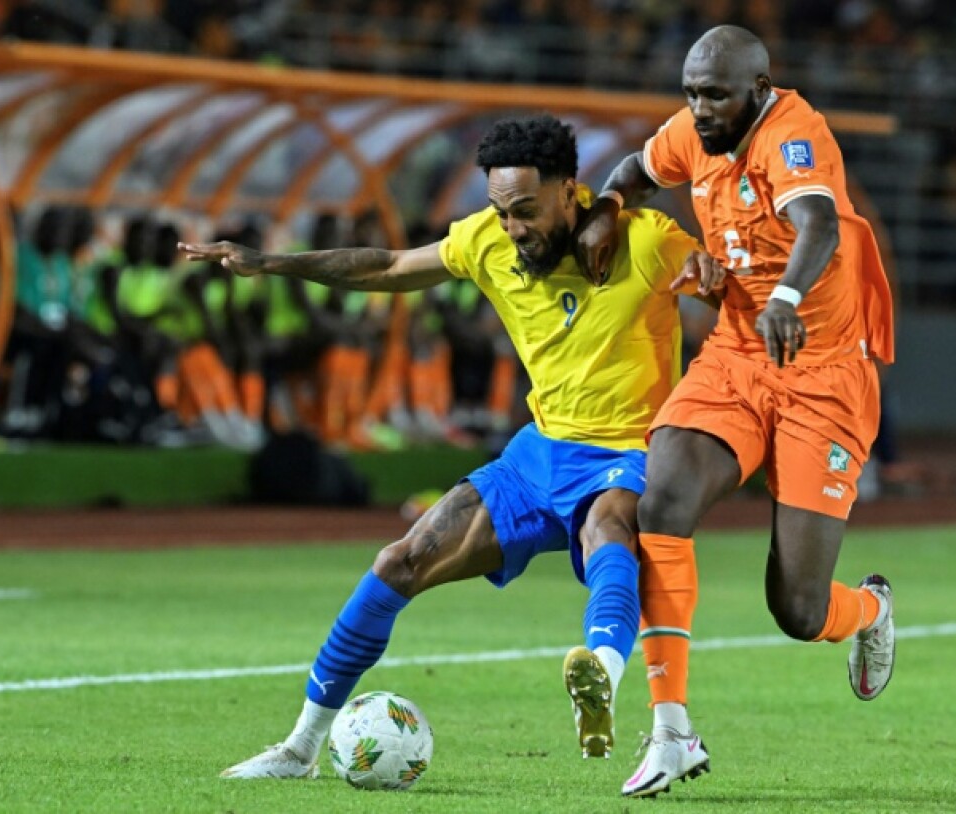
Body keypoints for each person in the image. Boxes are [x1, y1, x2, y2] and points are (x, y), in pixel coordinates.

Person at [179, 115, 714, 778]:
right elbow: (389, 266)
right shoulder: (486, 240)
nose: (512, 228)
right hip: (536, 456)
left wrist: (716, 280)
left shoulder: (648, 240)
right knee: (400, 560)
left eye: (525, 211)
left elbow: (734, 297)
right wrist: (275, 264)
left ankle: (598, 676)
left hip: (626, 451)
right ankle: (299, 748)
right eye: (501, 210)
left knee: (609, 530)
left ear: (569, 190)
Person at [574, 25, 898, 798]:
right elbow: (635, 168)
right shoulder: (692, 132)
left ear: (758, 90)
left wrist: (785, 295)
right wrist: (608, 205)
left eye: (715, 95)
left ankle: (870, 611)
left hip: (823, 372)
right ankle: (671, 731)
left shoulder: (794, 135)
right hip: (738, 356)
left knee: (798, 608)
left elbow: (818, 222)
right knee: (662, 500)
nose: (699, 108)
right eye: (690, 93)